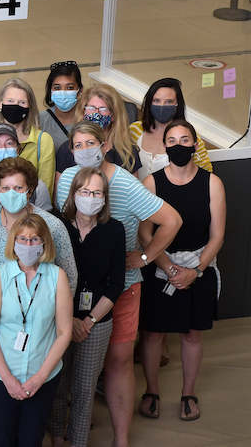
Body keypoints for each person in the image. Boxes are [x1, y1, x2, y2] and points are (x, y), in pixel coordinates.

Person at [55, 120, 182, 447]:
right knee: (66, 368)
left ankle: (121, 439)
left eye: (91, 143)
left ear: (105, 144)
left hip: (119, 288)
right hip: (72, 290)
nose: (85, 151)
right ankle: (66, 430)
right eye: (78, 145)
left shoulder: (125, 184)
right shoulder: (67, 179)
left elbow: (172, 220)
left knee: (118, 363)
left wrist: (144, 258)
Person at [137, 120, 225, 422]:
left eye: (184, 139)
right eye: (171, 140)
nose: (178, 145)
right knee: (152, 335)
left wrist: (196, 271)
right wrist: (168, 267)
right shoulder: (151, 182)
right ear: (164, 147)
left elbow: (217, 236)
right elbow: (144, 234)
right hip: (161, 268)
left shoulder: (212, 183)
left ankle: (188, 393)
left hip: (198, 269)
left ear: (196, 144)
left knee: (191, 336)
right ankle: (151, 390)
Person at [0, 213, 72, 447]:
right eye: (21, 239)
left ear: (44, 243)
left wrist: (38, 379)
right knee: (0, 437)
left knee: (32, 438)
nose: (28, 245)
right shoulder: (0, 276)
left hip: (42, 376)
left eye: (34, 240)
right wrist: (8, 379)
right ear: (13, 242)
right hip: (1, 375)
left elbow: (64, 333)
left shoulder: (57, 277)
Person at [47, 167, 125, 447]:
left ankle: (79, 442)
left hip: (97, 322)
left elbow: (116, 283)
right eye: (84, 191)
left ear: (105, 198)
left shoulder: (114, 230)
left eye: (97, 193)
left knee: (84, 390)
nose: (90, 197)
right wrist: (70, 320)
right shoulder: (57, 225)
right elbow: (47, 276)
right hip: (58, 320)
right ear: (73, 194)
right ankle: (57, 439)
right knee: (56, 386)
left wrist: (89, 320)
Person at [0, 156, 77, 293]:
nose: (11, 193)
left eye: (18, 188)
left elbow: (69, 277)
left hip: (42, 310)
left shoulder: (52, 226)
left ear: (30, 190)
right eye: (5, 188)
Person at [0, 78, 55, 194]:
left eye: (22, 102)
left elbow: (44, 189)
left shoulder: (43, 141)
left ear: (30, 107)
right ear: (0, 103)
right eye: (10, 101)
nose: (15, 106)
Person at [129, 78, 213, 181]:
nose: (162, 106)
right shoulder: (133, 130)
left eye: (169, 102)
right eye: (156, 100)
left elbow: (206, 177)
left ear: (178, 105)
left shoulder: (190, 138)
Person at [54, 83, 141, 179]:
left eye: (103, 109)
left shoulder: (127, 151)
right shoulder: (67, 150)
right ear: (83, 112)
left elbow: (134, 189)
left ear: (114, 115)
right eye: (91, 108)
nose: (96, 113)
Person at [0, 123, 53, 211]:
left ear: (17, 149)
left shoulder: (38, 188)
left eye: (9, 143)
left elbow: (45, 222)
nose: (3, 148)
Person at [39, 61, 83, 153]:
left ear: (79, 91)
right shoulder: (40, 121)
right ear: (50, 91)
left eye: (70, 87)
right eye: (57, 88)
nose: (63, 92)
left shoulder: (89, 117)